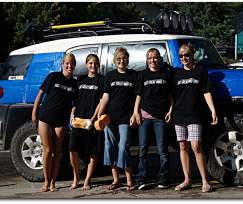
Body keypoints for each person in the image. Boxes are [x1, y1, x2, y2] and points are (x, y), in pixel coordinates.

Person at [173, 43, 218, 193]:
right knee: (182, 146)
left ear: (193, 55)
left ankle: (205, 181)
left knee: (196, 146)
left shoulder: (200, 71)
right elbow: (172, 96)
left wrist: (213, 111)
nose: (184, 58)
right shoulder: (176, 73)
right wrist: (170, 110)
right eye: (181, 56)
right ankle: (187, 179)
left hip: (195, 114)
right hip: (179, 115)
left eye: (187, 55)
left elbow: (206, 92)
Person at [32, 53, 78, 192]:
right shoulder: (53, 76)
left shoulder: (74, 83)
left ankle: (53, 182)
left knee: (57, 152)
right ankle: (46, 182)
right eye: (67, 63)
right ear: (62, 64)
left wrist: (72, 114)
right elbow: (40, 94)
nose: (69, 66)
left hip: (61, 120)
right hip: (45, 117)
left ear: (74, 66)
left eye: (72, 64)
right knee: (47, 150)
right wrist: (34, 112)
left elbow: (74, 103)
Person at [97, 47, 137, 191]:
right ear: (114, 61)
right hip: (110, 117)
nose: (122, 61)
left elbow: (137, 97)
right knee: (110, 147)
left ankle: (129, 180)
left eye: (124, 58)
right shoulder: (109, 76)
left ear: (127, 59)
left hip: (126, 117)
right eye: (119, 58)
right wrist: (99, 115)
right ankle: (116, 180)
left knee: (124, 146)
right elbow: (105, 97)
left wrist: (135, 113)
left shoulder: (133, 75)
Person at [133, 48, 173, 190]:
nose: (153, 60)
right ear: (147, 60)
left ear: (159, 59)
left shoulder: (166, 74)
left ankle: (163, 178)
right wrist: (136, 112)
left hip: (160, 116)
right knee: (143, 148)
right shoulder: (143, 74)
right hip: (144, 116)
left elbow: (170, 95)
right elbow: (138, 94)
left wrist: (170, 110)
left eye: (155, 57)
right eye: (150, 58)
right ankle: (140, 179)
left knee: (162, 149)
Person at [69, 54, 104, 191]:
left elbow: (101, 101)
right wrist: (72, 115)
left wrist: (93, 118)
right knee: (72, 148)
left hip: (91, 121)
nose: (93, 66)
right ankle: (76, 177)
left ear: (98, 65)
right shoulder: (80, 79)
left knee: (92, 152)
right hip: (78, 120)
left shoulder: (101, 80)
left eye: (95, 63)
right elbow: (75, 100)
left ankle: (87, 180)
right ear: (86, 64)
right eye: (90, 63)